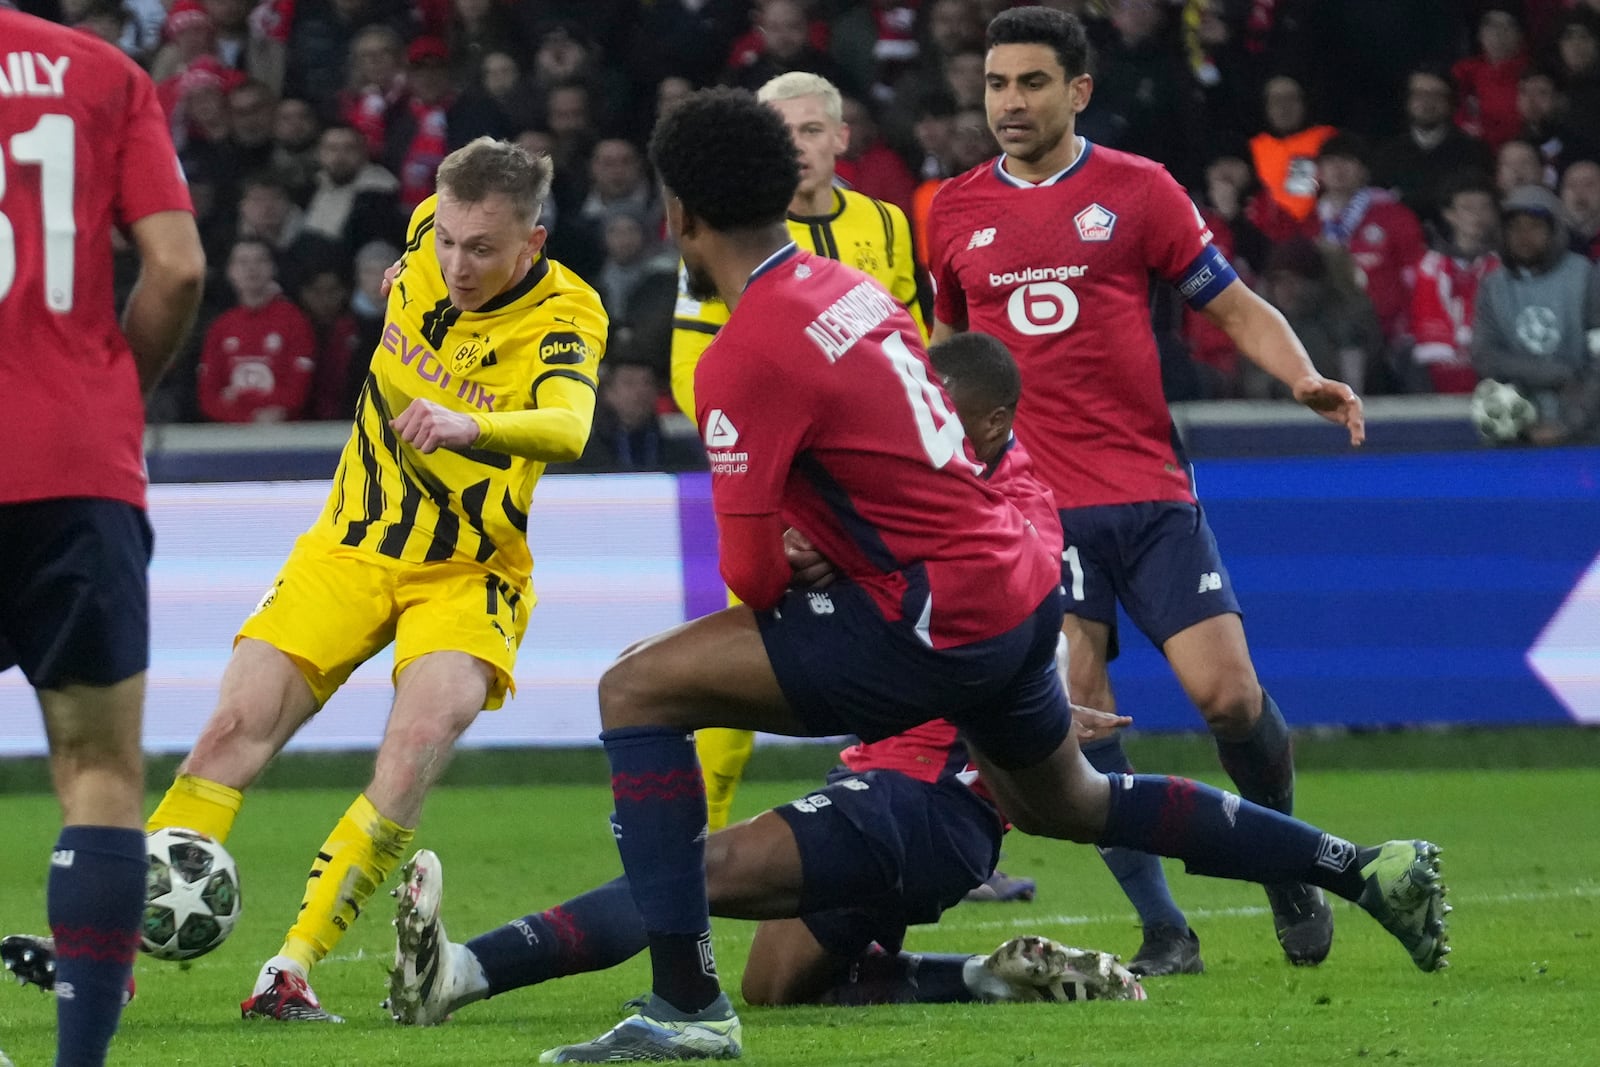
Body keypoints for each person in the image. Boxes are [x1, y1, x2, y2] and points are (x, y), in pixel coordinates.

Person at [543, 85, 1448, 1065]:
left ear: (677, 213)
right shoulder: (850, 290)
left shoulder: (739, 353)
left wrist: (820, 557)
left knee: (634, 686)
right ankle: (1359, 865)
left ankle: (684, 1007)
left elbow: (751, 571)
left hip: (931, 616)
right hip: (1014, 584)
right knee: (1068, 801)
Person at [7, 137, 610, 1023]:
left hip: (468, 570)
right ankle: (113, 949)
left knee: (414, 747)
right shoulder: (420, 235)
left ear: (534, 241)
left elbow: (570, 425)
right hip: (348, 545)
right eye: (446, 239)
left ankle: (291, 969)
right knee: (229, 732)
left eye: (482, 248)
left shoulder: (567, 313)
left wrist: (470, 426)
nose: (456, 263)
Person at [389, 335, 1147, 1022]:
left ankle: (465, 971)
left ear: (981, 423)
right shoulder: (928, 501)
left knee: (697, 870)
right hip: (899, 785)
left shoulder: (1000, 515)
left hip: (926, 799)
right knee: (777, 982)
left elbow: (993, 623)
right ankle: (987, 975)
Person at [923, 6, 1369, 973]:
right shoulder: (951, 208)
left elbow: (1233, 300)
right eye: (996, 83)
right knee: (1082, 705)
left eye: (1031, 82)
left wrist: (1300, 378)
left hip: (1151, 490)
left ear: (1078, 91)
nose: (1009, 101)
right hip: (1036, 510)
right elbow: (948, 362)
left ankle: (1285, 866)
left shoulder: (1139, 191)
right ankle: (1166, 927)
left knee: (1230, 698)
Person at [0, 8, 206, 1065]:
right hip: (71, 465)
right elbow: (174, 268)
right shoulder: (102, 72)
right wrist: (106, 391)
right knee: (97, 769)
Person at [669, 70, 924, 837]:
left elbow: (915, 338)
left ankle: (915, 813)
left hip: (880, 489)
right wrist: (767, 457)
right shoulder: (734, 229)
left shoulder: (885, 223)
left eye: (811, 131)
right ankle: (698, 835)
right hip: (784, 488)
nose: (798, 148)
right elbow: (690, 369)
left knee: (910, 652)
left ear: (841, 138)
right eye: (781, 135)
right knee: (741, 654)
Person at [1472, 183, 1600, 445]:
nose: (1523, 235)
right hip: (1517, 425)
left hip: (1587, 428)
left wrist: (1569, 424)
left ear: (1555, 231)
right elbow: (1485, 355)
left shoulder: (1586, 277)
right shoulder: (1493, 285)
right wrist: (1553, 373)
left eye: (1534, 226)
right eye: (1515, 227)